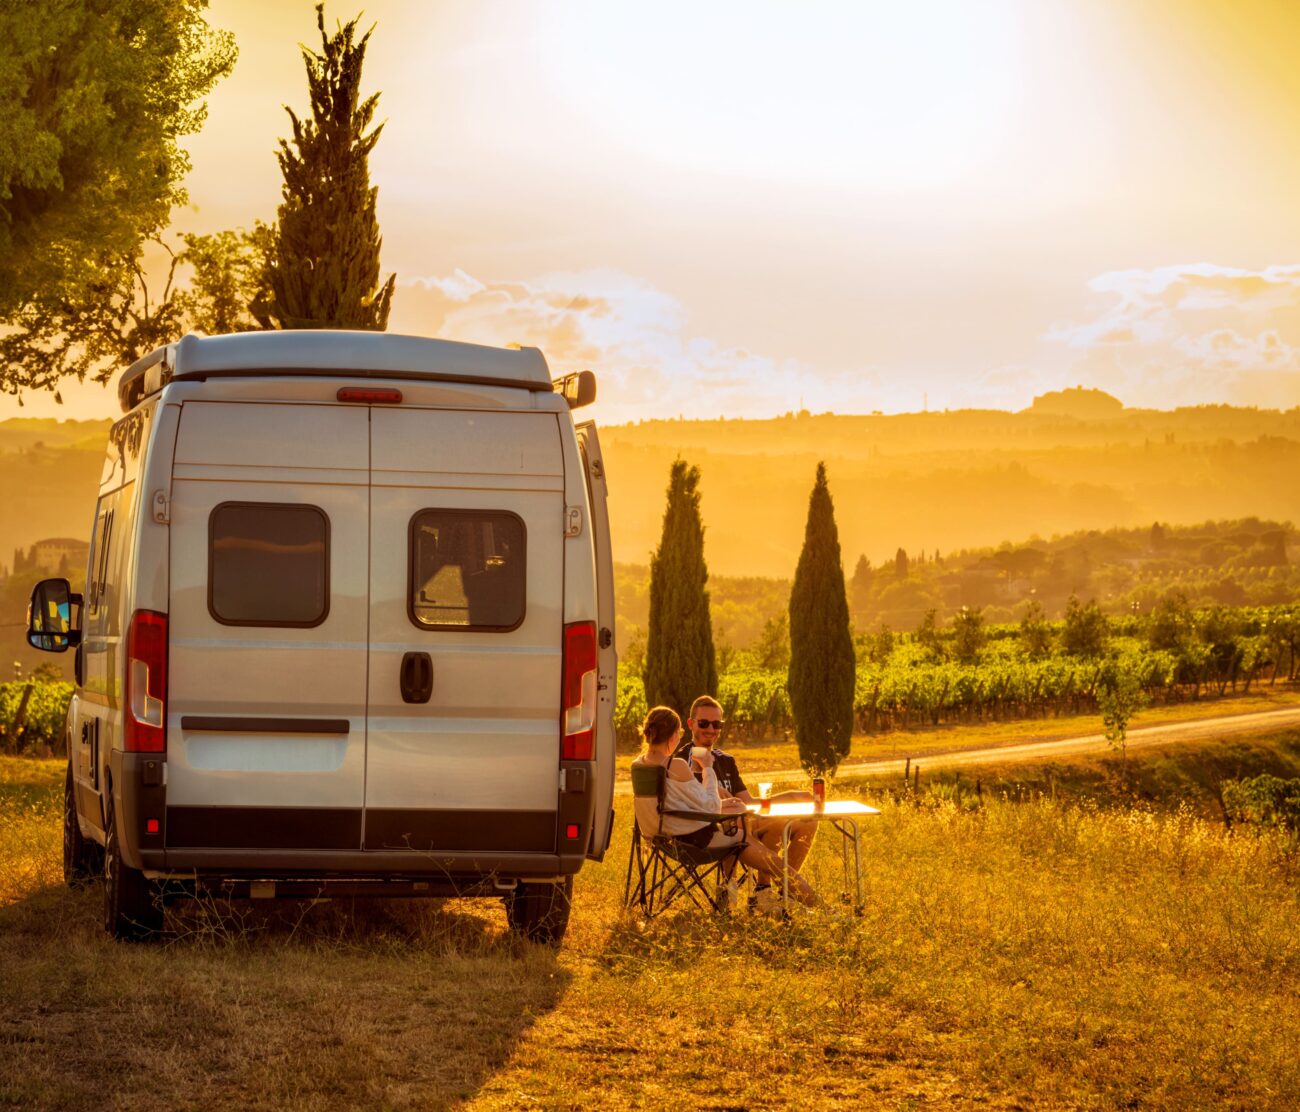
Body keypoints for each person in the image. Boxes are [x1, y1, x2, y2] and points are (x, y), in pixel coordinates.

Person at [633, 705, 817, 908]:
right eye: (681, 733)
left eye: (717, 724)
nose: (711, 728)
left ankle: (760, 894)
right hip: (697, 840)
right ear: (674, 735)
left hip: (664, 837)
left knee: (752, 820)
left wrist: (726, 803)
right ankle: (821, 909)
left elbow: (684, 804)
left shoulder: (639, 765)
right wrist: (708, 768)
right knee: (775, 863)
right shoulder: (676, 765)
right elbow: (710, 806)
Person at [676, 694, 821, 880]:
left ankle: (771, 891)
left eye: (717, 724)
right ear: (691, 724)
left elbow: (749, 802)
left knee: (807, 822)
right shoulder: (682, 760)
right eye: (704, 723)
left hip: (743, 825)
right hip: (709, 832)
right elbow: (687, 803)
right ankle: (777, 886)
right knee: (757, 823)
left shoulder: (726, 760)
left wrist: (789, 796)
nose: (711, 729)